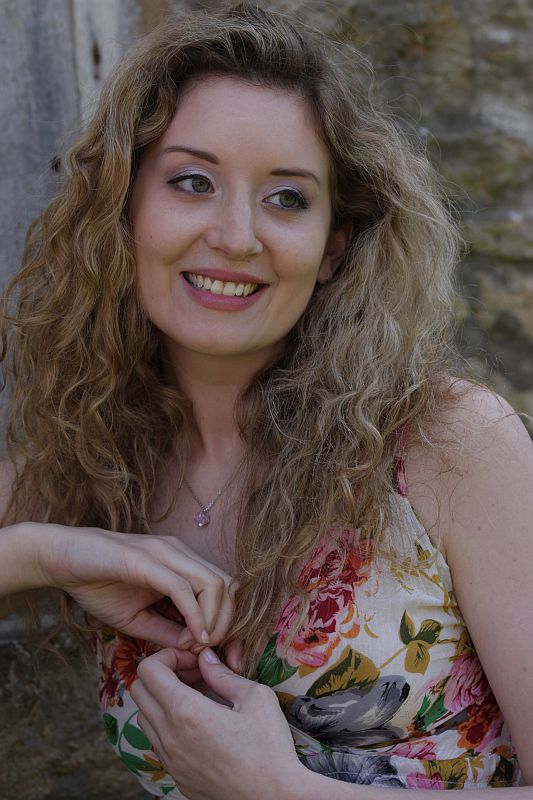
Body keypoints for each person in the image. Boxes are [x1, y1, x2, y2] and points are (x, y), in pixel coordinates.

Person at [1, 3, 532, 798]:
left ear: (333, 246)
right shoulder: (96, 455)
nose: (236, 235)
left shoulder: (446, 443)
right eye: (192, 182)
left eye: (286, 198)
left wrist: (279, 792)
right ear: (124, 208)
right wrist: (43, 554)